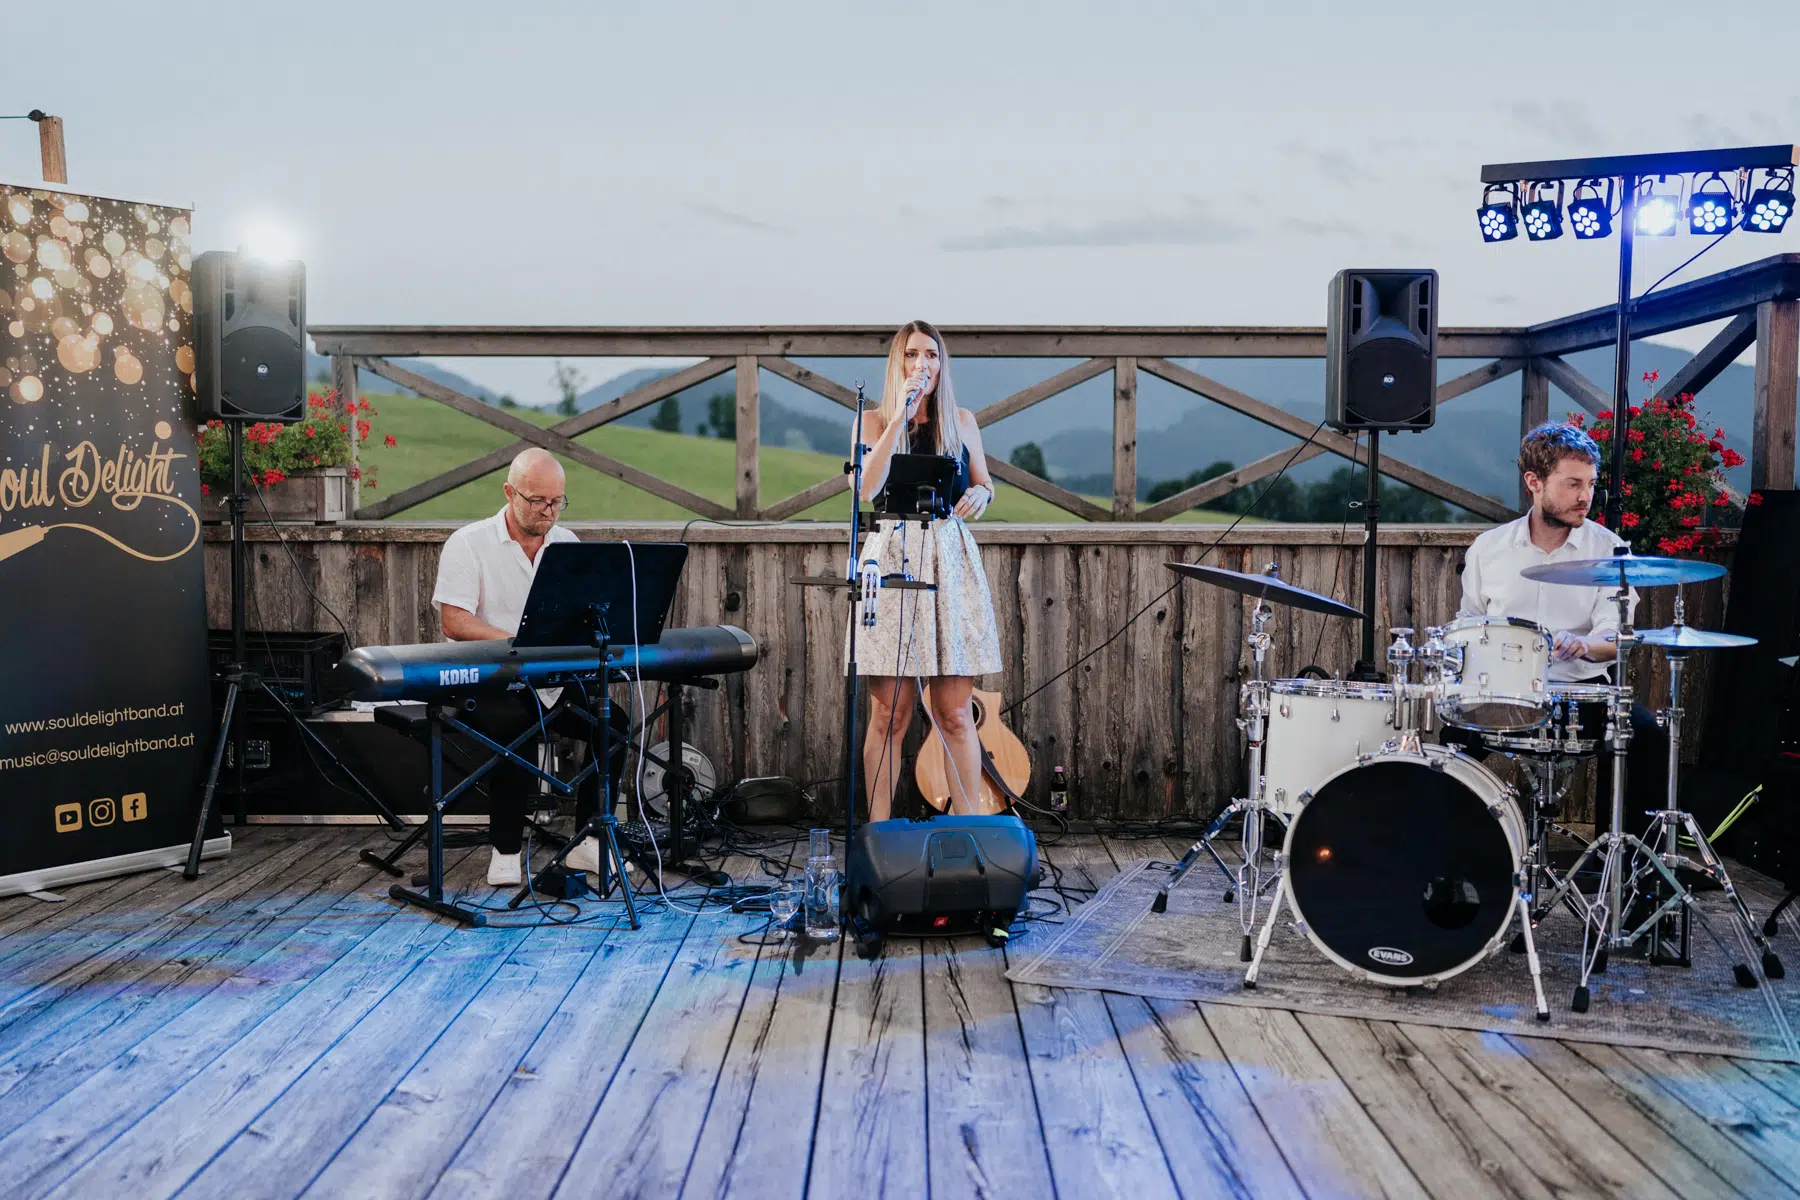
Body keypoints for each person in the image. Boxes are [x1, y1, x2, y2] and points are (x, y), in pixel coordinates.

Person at [1449, 422, 1667, 819]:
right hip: (1505, 696)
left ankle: (1621, 861)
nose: (1585, 497)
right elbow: (1469, 628)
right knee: (1451, 746)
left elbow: (1618, 636)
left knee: (1647, 735)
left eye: (1589, 484)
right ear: (1534, 481)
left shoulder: (1609, 550)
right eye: (1572, 485)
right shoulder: (1490, 549)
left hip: (1582, 696)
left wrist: (1585, 645)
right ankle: (1464, 859)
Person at [432, 447, 623, 886]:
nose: (548, 511)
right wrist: (518, 642)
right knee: (516, 730)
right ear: (508, 492)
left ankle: (589, 843)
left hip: (552, 676)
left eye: (557, 501)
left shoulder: (567, 545)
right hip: (489, 677)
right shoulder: (468, 543)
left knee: (611, 726)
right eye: (538, 501)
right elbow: (454, 620)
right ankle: (506, 849)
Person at [851, 320, 1004, 821]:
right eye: (913, 355)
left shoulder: (961, 420)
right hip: (891, 551)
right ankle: (878, 833)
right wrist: (900, 415)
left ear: (943, 364)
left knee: (956, 712)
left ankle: (968, 829)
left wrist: (984, 491)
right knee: (889, 713)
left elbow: (982, 482)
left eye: (932, 356)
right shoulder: (872, 421)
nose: (923, 364)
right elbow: (865, 491)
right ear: (898, 362)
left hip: (948, 555)